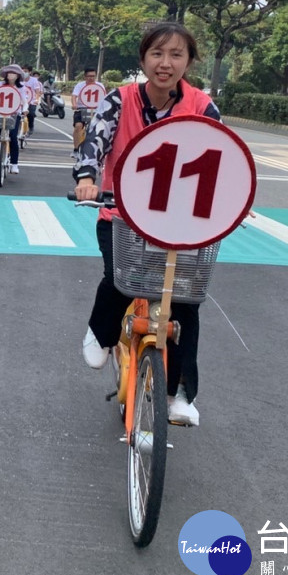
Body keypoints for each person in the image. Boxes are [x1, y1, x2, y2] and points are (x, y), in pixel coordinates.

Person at [72, 24, 219, 427]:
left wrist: (232, 202)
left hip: (181, 223)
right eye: (157, 53)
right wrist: (87, 179)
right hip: (123, 214)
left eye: (176, 54)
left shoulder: (203, 106)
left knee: (186, 303)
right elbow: (95, 142)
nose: (165, 63)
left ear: (188, 62)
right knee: (120, 280)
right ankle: (102, 333)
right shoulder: (119, 100)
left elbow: (221, 158)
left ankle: (182, 395)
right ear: (143, 60)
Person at [0, 63, 25, 174]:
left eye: (14, 73)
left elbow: (25, 101)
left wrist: (25, 109)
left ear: (18, 75)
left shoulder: (21, 87)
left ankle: (14, 164)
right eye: (9, 72)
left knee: (13, 137)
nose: (11, 75)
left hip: (14, 114)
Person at [71, 67, 105, 153]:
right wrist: (74, 104)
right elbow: (74, 96)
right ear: (85, 77)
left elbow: (104, 98)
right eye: (89, 76)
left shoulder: (100, 86)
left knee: (100, 129)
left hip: (95, 110)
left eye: (93, 76)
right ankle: (76, 149)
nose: (91, 78)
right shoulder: (80, 85)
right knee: (78, 126)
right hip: (81, 109)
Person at [24, 69, 43, 135]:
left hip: (32, 101)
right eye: (23, 71)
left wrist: (37, 99)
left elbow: (38, 92)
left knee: (31, 114)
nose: (24, 73)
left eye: (26, 71)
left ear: (29, 72)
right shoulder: (19, 79)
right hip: (22, 101)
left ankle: (31, 127)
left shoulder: (34, 80)